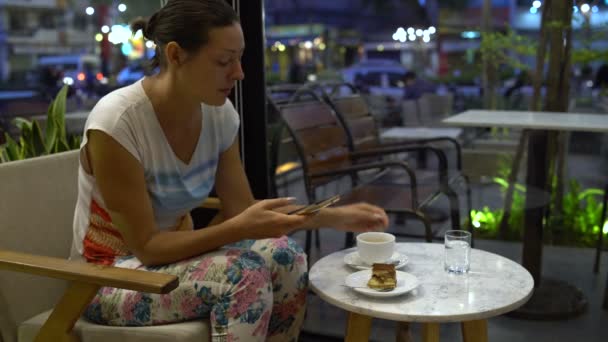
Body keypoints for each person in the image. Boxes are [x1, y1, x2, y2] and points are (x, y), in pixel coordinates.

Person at [70, 1, 389, 341]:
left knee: (286, 255)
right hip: (107, 277)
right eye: (224, 61)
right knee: (244, 275)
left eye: (239, 58)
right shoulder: (118, 124)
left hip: (172, 261)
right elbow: (147, 246)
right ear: (176, 55)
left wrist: (331, 217)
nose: (239, 73)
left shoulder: (218, 115)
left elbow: (243, 209)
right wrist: (237, 227)